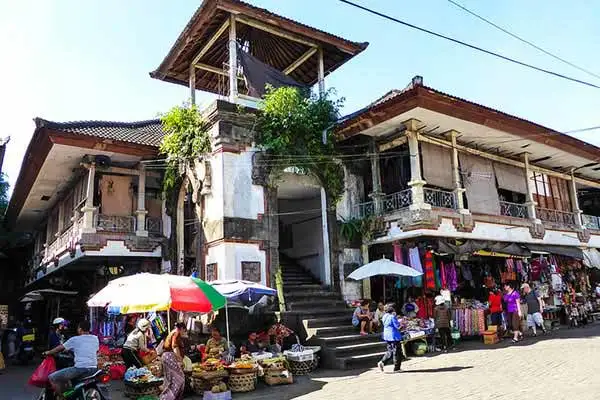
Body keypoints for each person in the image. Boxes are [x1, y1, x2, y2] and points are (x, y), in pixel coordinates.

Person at [44, 321, 99, 395]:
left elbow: (59, 348)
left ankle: (61, 397)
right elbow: (93, 349)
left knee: (52, 377)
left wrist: (48, 352)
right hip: (94, 369)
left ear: (80, 329)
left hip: (80, 369)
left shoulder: (74, 339)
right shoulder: (95, 339)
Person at [160, 322, 186, 400]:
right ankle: (169, 397)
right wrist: (180, 360)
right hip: (170, 357)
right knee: (179, 379)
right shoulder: (176, 333)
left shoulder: (173, 332)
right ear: (181, 329)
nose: (183, 333)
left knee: (170, 380)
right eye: (184, 331)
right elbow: (174, 346)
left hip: (167, 356)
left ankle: (170, 397)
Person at [376, 304, 403, 373]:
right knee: (397, 352)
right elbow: (397, 327)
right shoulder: (392, 317)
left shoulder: (384, 316)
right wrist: (402, 324)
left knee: (390, 351)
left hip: (387, 336)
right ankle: (397, 368)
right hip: (394, 336)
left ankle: (382, 362)